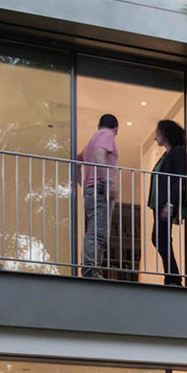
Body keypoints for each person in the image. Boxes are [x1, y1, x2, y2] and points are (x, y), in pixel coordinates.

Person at [78, 113, 119, 277]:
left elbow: (77, 161)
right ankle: (90, 269)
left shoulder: (90, 142)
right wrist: (107, 182)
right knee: (97, 232)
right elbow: (100, 154)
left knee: (96, 230)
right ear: (116, 129)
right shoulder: (107, 134)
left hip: (92, 189)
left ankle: (92, 268)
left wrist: (84, 183)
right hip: (100, 188)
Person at [148, 119, 187, 285]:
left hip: (166, 203)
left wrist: (171, 204)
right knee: (159, 237)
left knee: (160, 237)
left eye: (157, 133)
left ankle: (173, 277)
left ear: (166, 133)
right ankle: (172, 276)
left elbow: (179, 179)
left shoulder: (178, 152)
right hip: (159, 203)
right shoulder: (166, 155)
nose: (155, 138)